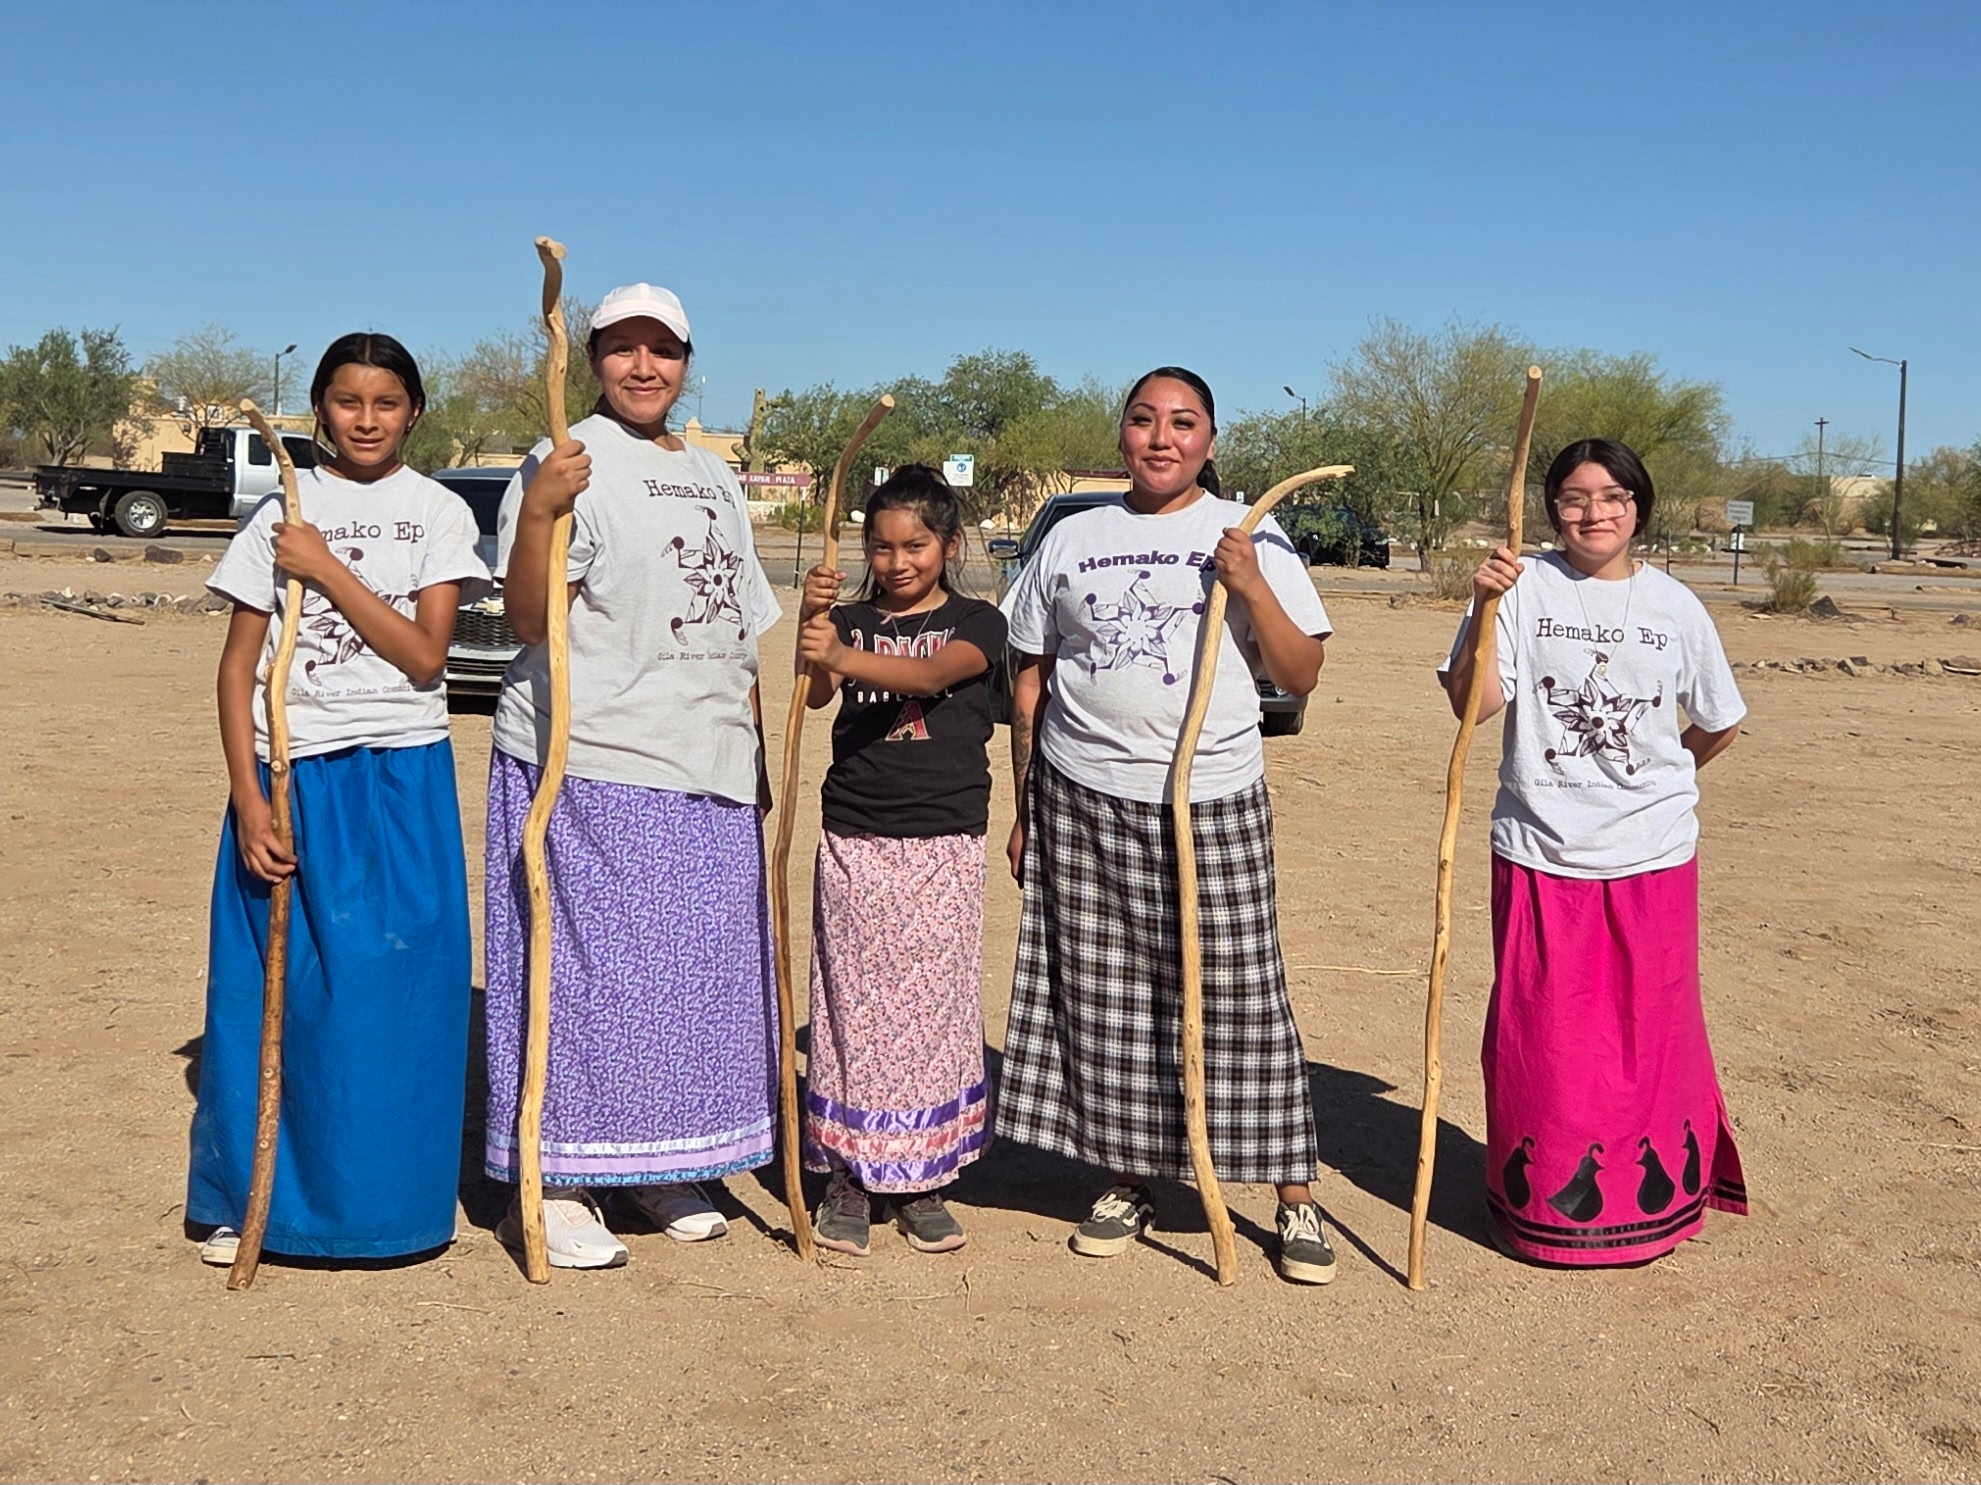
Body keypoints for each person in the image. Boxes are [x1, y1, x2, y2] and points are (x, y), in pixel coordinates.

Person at [997, 366, 1340, 1285]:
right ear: (1121, 435)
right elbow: (1028, 674)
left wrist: (1251, 582)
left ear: (1210, 441)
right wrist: (1026, 800)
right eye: (1143, 419)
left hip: (1210, 796)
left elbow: (1299, 673)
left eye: (1182, 423)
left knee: (1238, 991)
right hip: (1081, 795)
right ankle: (1130, 1176)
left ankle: (1292, 1193)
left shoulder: (1247, 531)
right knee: (1109, 998)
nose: (1161, 437)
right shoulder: (1073, 536)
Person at [486, 282, 783, 1269]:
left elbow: (741, 631)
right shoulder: (565, 460)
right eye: (622, 349)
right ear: (595, 360)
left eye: (663, 350)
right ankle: (563, 1178)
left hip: (705, 759)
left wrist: (753, 753)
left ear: (688, 362)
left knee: (685, 976)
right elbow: (530, 623)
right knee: (586, 976)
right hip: (594, 754)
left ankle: (659, 1163)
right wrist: (538, 511)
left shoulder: (712, 473)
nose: (644, 367)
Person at [187, 333, 490, 1264]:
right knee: (272, 994)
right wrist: (248, 796)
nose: (366, 419)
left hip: (399, 776)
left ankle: (387, 1207)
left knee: (398, 991)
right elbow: (238, 669)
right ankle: (256, 1198)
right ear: (319, 407)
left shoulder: (435, 512)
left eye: (387, 402)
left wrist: (325, 569)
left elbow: (425, 655)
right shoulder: (281, 513)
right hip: (292, 773)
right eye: (348, 401)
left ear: (414, 412)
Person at [1439, 437, 1748, 1266]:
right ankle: (1544, 1209)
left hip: (1652, 851)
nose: (1593, 513)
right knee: (1543, 1031)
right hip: (1540, 847)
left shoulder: (1674, 606)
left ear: (1637, 506)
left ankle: (1657, 1200)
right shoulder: (1521, 586)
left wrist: (1661, 775)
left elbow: (1719, 717)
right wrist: (1480, 607)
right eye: (1574, 498)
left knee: (1651, 1028)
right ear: (1550, 509)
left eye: (1611, 497)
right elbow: (1472, 703)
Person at [793, 466, 1007, 1257]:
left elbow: (928, 675)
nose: (896, 561)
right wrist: (818, 628)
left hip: (945, 837)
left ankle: (921, 1177)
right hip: (856, 834)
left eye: (914, 544)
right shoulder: (848, 617)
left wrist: (842, 654)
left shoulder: (979, 622)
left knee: (934, 1006)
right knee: (850, 1006)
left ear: (947, 545)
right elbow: (815, 698)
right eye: (879, 547)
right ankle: (848, 1174)